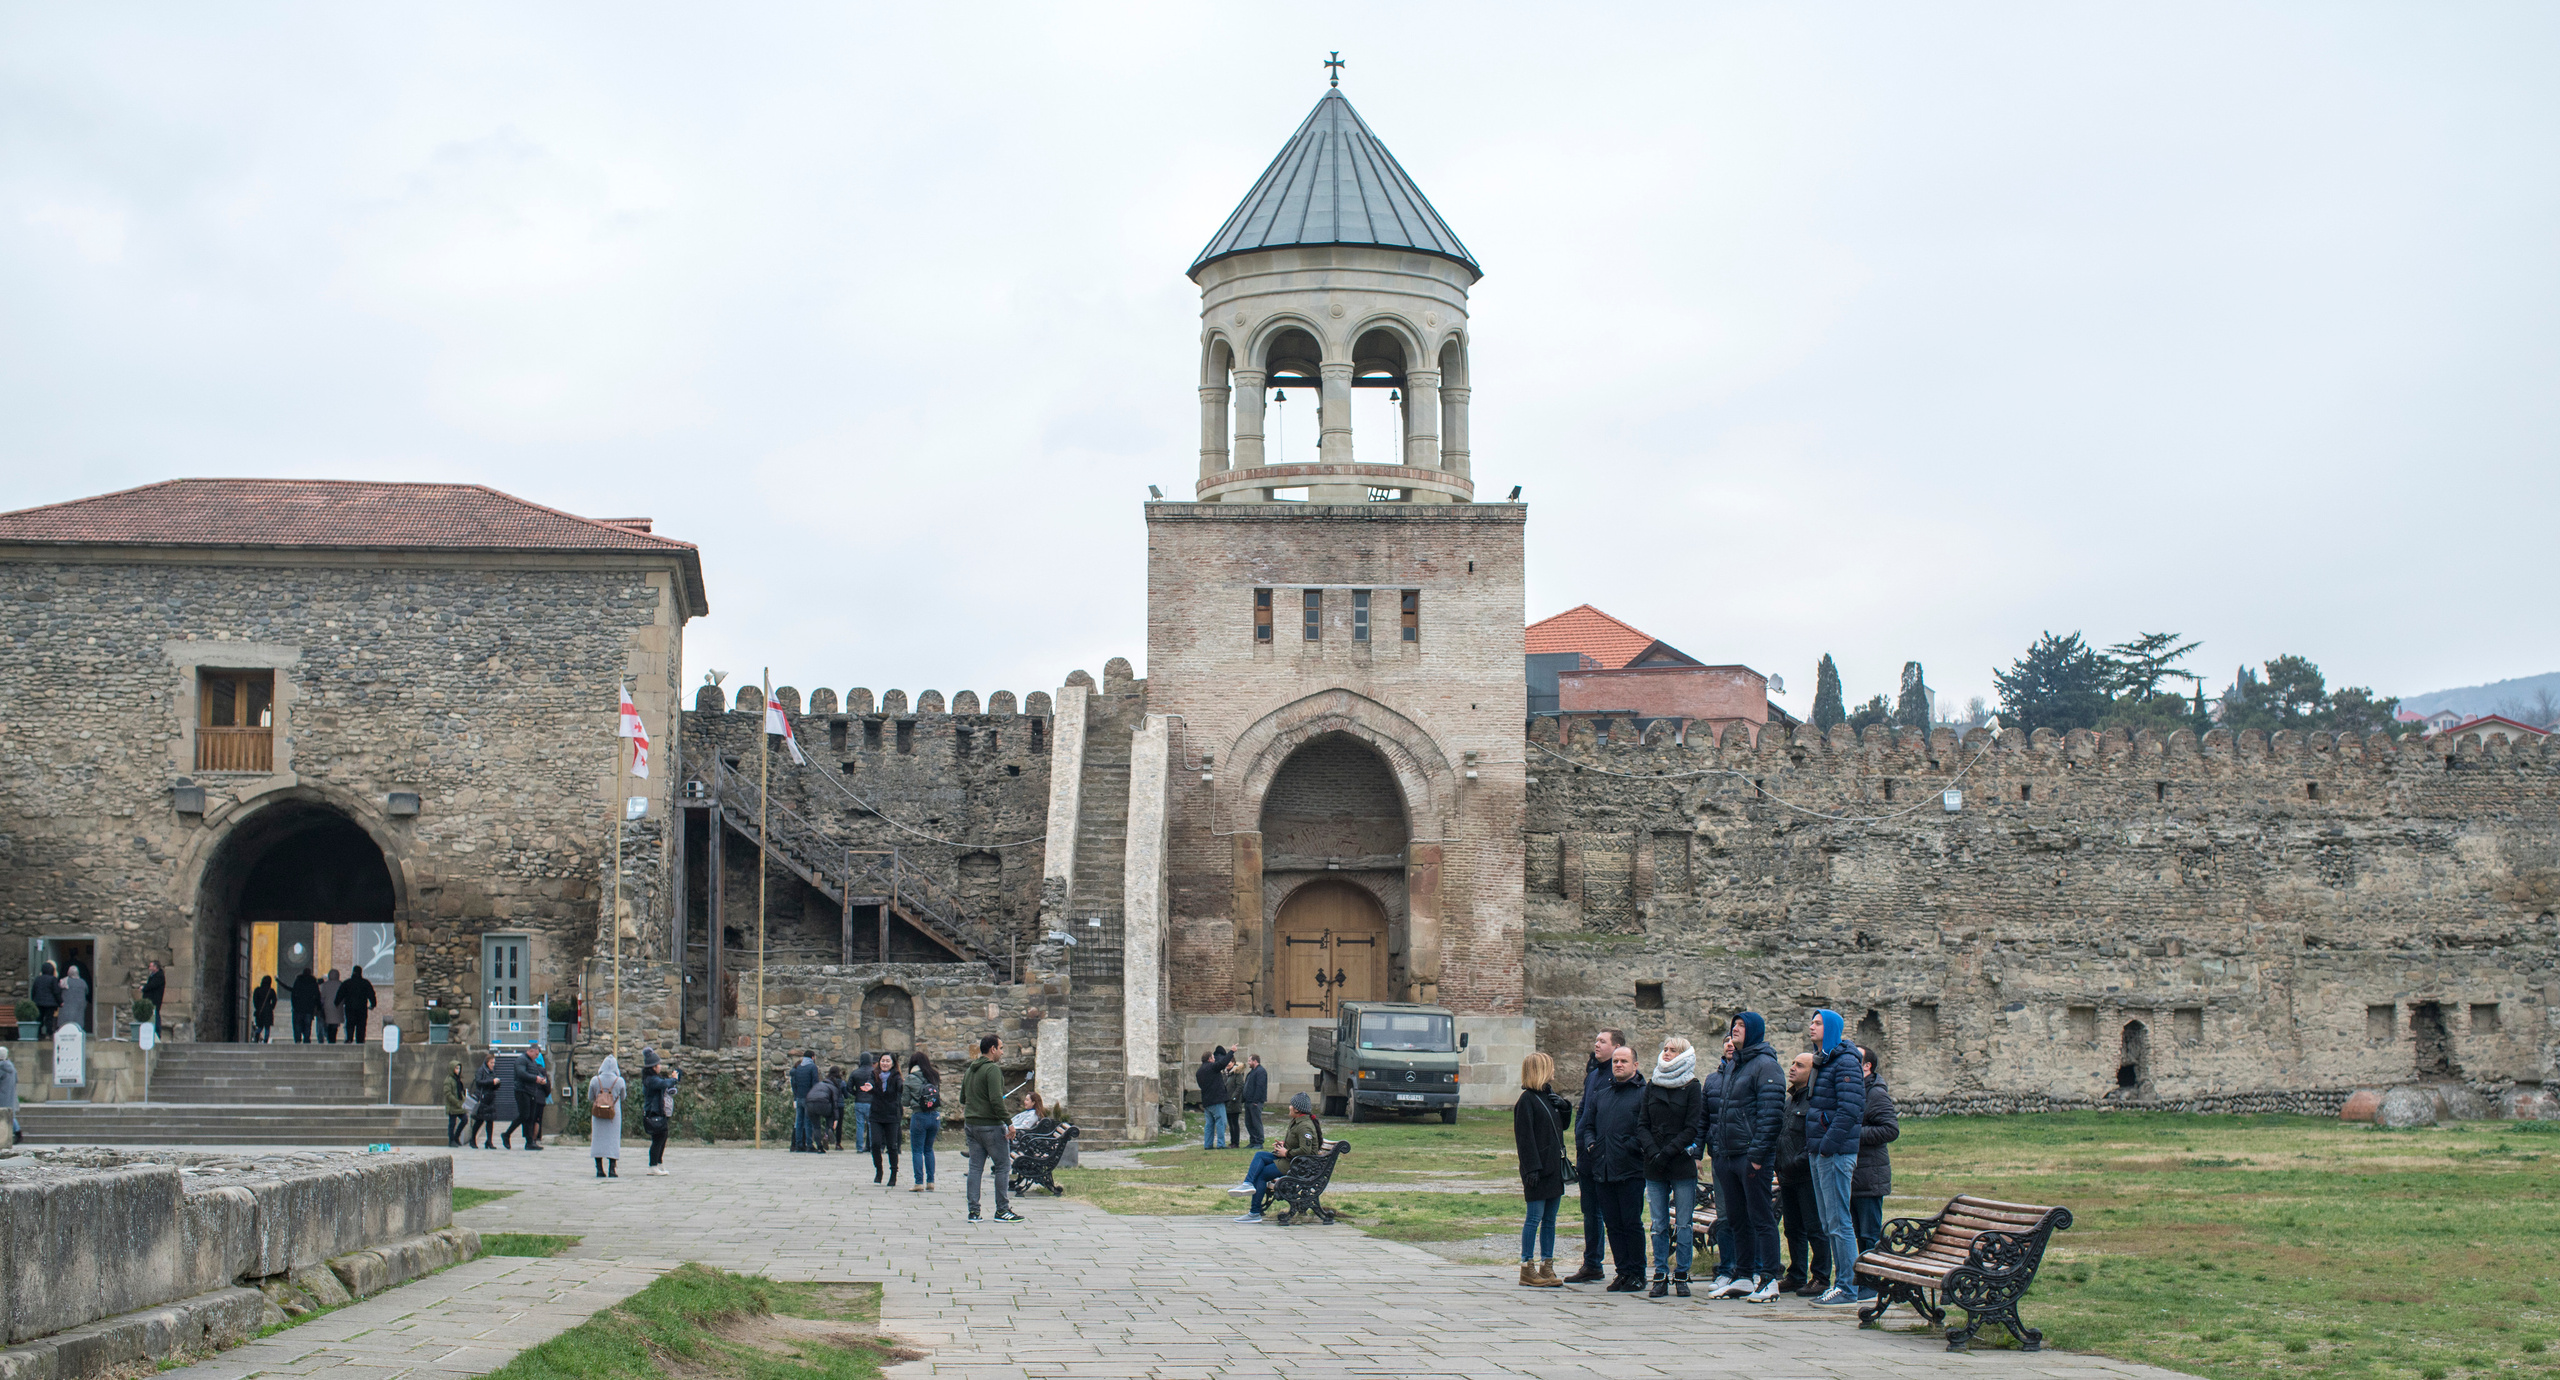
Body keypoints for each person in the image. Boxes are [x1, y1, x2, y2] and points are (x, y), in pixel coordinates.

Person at [1705, 1012, 1784, 1302]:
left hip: (1751, 1156)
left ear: (1753, 1031)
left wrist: (1757, 1156)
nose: (1735, 1030)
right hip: (1727, 1155)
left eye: (1741, 1026)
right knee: (1737, 1218)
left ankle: (1769, 1279)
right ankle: (1743, 1276)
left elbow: (1771, 1115)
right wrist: (1719, 1151)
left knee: (1761, 1217)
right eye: (1733, 1025)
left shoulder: (1766, 1065)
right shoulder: (1733, 1066)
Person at [1805, 1009, 1867, 1308]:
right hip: (1820, 1150)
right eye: (1812, 1021)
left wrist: (1828, 1144)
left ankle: (1848, 1287)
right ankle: (1839, 1283)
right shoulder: (1824, 1060)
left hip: (1835, 1153)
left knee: (1839, 1221)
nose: (1812, 1026)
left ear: (1831, 1028)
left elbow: (1851, 1108)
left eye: (1818, 1023)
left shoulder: (1845, 1061)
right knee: (1829, 1221)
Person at [1638, 1035, 1707, 1298]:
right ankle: (1660, 1273)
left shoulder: (1692, 1086)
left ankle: (1682, 1274)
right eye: (1665, 1049)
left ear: (1683, 1055)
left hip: (1679, 1161)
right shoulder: (1653, 1084)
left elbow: (1692, 1127)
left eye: (1673, 1050)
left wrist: (1668, 1151)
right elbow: (1642, 1123)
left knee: (1684, 1223)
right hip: (1654, 1162)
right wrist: (1653, 1151)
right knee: (1658, 1222)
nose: (1666, 1053)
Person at [1561, 1029, 1629, 1284]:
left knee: (1612, 1214)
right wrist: (1581, 1140)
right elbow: (1584, 1111)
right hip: (1587, 1154)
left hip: (1608, 1155)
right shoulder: (1593, 1076)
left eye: (1602, 1041)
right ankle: (1592, 1263)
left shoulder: (1618, 1076)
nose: (1596, 1044)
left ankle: (1625, 1267)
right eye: (1596, 1040)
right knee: (1590, 1211)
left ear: (1617, 1046)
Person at [1584, 1041, 1650, 1292]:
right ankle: (1622, 1271)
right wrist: (1592, 1145)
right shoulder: (1603, 1094)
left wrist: (1631, 1146)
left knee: (1631, 1223)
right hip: (1604, 1168)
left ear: (1635, 1065)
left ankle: (1637, 1273)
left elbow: (1647, 1128)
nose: (1618, 1065)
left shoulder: (1644, 1094)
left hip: (1630, 1169)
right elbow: (1588, 1125)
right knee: (1612, 1223)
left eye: (1623, 1061)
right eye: (1615, 1061)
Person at [1511, 1050, 1572, 1286]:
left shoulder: (1549, 1097)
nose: (1554, 1071)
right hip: (1537, 1170)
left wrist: (1564, 1107)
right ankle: (1527, 1266)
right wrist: (1531, 1169)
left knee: (1550, 1220)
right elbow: (1524, 1139)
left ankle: (1547, 1265)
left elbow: (1562, 1126)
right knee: (1534, 1218)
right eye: (1550, 1067)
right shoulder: (1526, 1101)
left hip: (1554, 1167)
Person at [1774, 1051, 1830, 1296]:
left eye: (1800, 1065)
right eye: (1792, 1063)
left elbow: (1816, 1138)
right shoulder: (1790, 1102)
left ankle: (1821, 1277)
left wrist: (1797, 1162)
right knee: (1792, 1228)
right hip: (1787, 1175)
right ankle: (1796, 1275)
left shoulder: (1815, 1101)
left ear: (1812, 1072)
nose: (1792, 1068)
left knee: (1815, 1228)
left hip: (1807, 1175)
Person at [1233, 1092, 1325, 1223]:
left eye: (1291, 1105)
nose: (1289, 1107)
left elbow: (1306, 1151)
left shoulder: (1304, 1126)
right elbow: (1298, 1144)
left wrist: (1286, 1153)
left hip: (1298, 1165)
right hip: (1292, 1160)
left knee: (1261, 1175)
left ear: (1297, 1109)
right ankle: (1247, 1184)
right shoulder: (1298, 1122)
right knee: (1260, 1155)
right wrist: (1284, 1145)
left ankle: (1254, 1213)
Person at [963, 1034, 1022, 1223]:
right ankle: (1002, 1210)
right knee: (1003, 1166)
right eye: (1001, 1048)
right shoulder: (992, 1070)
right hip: (990, 1125)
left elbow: (963, 1098)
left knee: (975, 1168)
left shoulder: (970, 1070)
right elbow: (996, 1100)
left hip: (971, 1124)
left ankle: (974, 1212)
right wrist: (1009, 1122)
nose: (1002, 1052)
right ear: (992, 1049)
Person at [1852, 1045, 1898, 1259]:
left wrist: (1852, 1133)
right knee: (1857, 1233)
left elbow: (1890, 1129)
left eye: (1855, 1058)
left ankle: (1873, 1276)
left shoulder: (1876, 1093)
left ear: (1867, 1066)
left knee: (1869, 1234)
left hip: (1869, 1176)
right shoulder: (1854, 1090)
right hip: (1855, 1173)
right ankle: (1862, 1274)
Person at [903, 1052, 942, 1191]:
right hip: (935, 1115)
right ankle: (931, 1182)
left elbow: (904, 1101)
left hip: (919, 1115)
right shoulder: (934, 1075)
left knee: (917, 1151)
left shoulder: (910, 1078)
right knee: (929, 1149)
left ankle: (919, 1182)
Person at [640, 1049, 680, 1175]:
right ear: (653, 1067)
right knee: (658, 1139)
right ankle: (653, 1165)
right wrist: (674, 1079)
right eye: (658, 1065)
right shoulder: (651, 1080)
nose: (660, 1067)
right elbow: (663, 1084)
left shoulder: (651, 1078)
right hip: (653, 1113)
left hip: (657, 1112)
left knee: (662, 1137)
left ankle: (658, 1162)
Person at [867, 1052, 903, 1186]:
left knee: (892, 1146)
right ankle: (879, 1170)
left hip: (892, 1114)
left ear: (893, 1063)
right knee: (875, 1144)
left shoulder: (896, 1076)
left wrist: (904, 1086)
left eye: (888, 1061)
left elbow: (900, 1087)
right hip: (876, 1114)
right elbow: (870, 1083)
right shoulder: (874, 1074)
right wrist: (869, 1087)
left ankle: (893, 1173)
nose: (885, 1063)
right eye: (883, 1061)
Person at [588, 1053, 626, 1178]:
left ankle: (599, 1169)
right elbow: (623, 1097)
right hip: (613, 1114)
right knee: (613, 1140)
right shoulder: (619, 1081)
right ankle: (612, 1169)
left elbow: (590, 1097)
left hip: (598, 1113)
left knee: (597, 1139)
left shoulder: (595, 1080)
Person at [508, 1046, 551, 1150]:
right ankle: (507, 1134)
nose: (536, 1057)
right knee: (524, 1115)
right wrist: (535, 1078)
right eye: (536, 1054)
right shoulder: (521, 1060)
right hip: (522, 1090)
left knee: (531, 1117)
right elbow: (521, 1073)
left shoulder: (533, 1062)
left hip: (531, 1091)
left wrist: (541, 1080)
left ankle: (529, 1142)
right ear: (530, 1051)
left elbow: (536, 1073)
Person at [1196, 1049, 1229, 1150]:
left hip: (1206, 1100)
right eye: (1213, 1058)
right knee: (1221, 1122)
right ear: (1210, 1059)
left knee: (1209, 1124)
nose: (1215, 1059)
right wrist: (1231, 1052)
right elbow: (1223, 1063)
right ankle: (1221, 1144)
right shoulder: (1212, 1067)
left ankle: (1208, 1144)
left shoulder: (1199, 1071)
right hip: (1217, 1099)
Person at [470, 1052, 504, 1148]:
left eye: (494, 1063)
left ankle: (489, 1141)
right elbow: (479, 1082)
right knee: (479, 1120)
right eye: (491, 1063)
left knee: (490, 1120)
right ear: (487, 1062)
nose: (493, 1065)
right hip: (483, 1098)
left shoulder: (492, 1071)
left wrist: (497, 1084)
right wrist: (492, 1082)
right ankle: (473, 1139)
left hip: (490, 1098)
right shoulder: (481, 1070)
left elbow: (492, 1085)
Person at [802, 1064, 837, 1156]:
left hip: (809, 1103)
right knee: (829, 1116)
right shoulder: (833, 1087)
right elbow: (835, 1104)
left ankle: (819, 1147)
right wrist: (836, 1118)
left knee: (816, 1126)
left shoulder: (818, 1085)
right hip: (823, 1103)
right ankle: (828, 1132)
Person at [340, 965, 377, 1044]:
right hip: (362, 1008)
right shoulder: (365, 983)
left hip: (350, 1007)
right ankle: (360, 1040)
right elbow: (371, 994)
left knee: (350, 1023)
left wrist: (337, 1003)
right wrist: (373, 1004)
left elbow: (340, 994)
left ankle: (349, 1038)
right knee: (361, 1025)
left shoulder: (347, 983)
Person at [790, 1051, 818, 1152]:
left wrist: (796, 1096)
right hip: (808, 1097)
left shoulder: (799, 1068)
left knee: (799, 1121)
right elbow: (815, 1083)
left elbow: (795, 1083)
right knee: (808, 1121)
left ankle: (799, 1144)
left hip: (799, 1097)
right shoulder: (812, 1067)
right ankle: (809, 1144)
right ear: (812, 1057)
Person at [1240, 1054, 1269, 1148]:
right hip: (1248, 1101)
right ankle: (1253, 1141)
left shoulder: (1261, 1071)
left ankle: (1259, 1142)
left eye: (1250, 1061)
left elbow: (1260, 1087)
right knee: (1249, 1123)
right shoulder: (1252, 1072)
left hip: (1255, 1102)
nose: (1248, 1063)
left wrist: (1256, 1101)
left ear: (1255, 1061)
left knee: (1256, 1122)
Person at [30, 962, 60, 1040]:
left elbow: (33, 991)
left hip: (39, 1002)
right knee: (49, 1019)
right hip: (50, 1004)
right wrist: (60, 1002)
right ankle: (49, 1034)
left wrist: (33, 1001)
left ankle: (38, 1034)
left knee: (39, 1018)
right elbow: (56, 992)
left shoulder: (38, 979)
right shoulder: (53, 979)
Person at [289, 968, 321, 1043]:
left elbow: (293, 995)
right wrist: (318, 1007)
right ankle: (306, 1039)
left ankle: (297, 1040)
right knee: (307, 1025)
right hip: (309, 1008)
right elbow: (317, 995)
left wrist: (294, 1006)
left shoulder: (298, 981)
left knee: (297, 1025)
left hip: (298, 1008)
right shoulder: (313, 982)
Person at [1223, 1051, 1246, 1147]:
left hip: (1234, 1102)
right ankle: (1232, 1142)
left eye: (1230, 1062)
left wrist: (1233, 1098)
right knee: (1230, 1123)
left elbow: (1240, 1086)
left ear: (1233, 1063)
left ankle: (1236, 1142)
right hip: (1227, 1102)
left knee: (1234, 1123)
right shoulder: (1225, 1073)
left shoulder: (1237, 1073)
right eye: (1227, 1062)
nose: (1228, 1064)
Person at [444, 1061, 469, 1147]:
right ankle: (451, 1140)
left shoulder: (457, 1079)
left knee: (465, 1119)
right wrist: (456, 1102)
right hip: (452, 1106)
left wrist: (463, 1100)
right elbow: (448, 1093)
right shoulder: (448, 1080)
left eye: (459, 1068)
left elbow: (460, 1092)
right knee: (452, 1123)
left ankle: (456, 1137)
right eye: (456, 1068)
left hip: (459, 1105)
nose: (458, 1070)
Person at [60, 964, 88, 1035]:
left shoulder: (64, 981)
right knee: (78, 1023)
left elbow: (58, 990)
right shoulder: (83, 982)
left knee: (66, 1024)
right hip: (79, 1006)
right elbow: (87, 991)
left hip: (66, 1007)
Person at [0, 1044, 18, 1148]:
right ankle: (17, 1131)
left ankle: (17, 1131)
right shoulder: (11, 1066)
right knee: (10, 1113)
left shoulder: (1, 1067)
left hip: (2, 1095)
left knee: (5, 1113)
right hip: (10, 1093)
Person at [251, 976, 278, 1043]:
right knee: (267, 1028)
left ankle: (256, 1036)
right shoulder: (271, 991)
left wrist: (257, 1008)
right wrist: (271, 1007)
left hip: (260, 1011)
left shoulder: (257, 990)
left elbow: (255, 1000)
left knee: (260, 1027)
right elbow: (274, 1000)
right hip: (268, 1012)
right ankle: (266, 1040)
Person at [139, 961, 166, 1026]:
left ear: (155, 967)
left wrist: (143, 988)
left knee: (155, 1014)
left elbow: (152, 985)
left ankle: (157, 1030)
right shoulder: (153, 975)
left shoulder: (159, 976)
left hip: (155, 999)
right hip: (151, 999)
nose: (149, 968)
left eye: (151, 966)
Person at [319, 968, 341, 1043]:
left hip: (327, 1007)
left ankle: (329, 1039)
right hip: (336, 1008)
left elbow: (322, 998)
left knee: (328, 1025)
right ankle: (332, 1039)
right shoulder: (340, 984)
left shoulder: (325, 985)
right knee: (334, 1026)